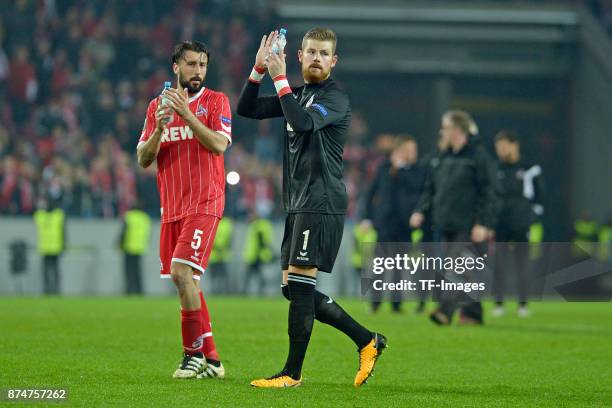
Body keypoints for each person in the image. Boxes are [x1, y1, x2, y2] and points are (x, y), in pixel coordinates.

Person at [237, 28, 386, 388]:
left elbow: (302, 123)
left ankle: (292, 373)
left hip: (322, 201)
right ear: (300, 56)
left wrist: (279, 78)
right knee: (294, 289)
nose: (317, 58)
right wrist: (259, 70)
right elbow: (248, 108)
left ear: (333, 62)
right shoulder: (300, 93)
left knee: (302, 286)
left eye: (324, 53)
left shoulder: (335, 98)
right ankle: (367, 339)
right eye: (311, 52)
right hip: (300, 201)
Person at [136, 41, 230, 379]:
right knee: (188, 280)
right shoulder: (156, 107)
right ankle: (214, 360)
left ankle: (192, 356)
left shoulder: (215, 101)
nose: (198, 71)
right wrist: (160, 127)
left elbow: (219, 144)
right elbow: (144, 159)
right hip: (172, 207)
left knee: (181, 273)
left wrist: (187, 115)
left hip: (205, 202)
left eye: (203, 64)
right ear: (176, 67)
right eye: (191, 64)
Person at [410, 110, 496, 325]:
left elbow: (489, 192)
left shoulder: (478, 156)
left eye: (446, 127)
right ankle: (473, 314)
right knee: (464, 271)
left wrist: (482, 223)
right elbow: (431, 189)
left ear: (457, 130)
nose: (442, 132)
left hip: (467, 224)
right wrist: (421, 210)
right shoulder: (442, 156)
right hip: (445, 222)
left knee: (454, 268)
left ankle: (444, 311)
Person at [362, 136, 426, 313]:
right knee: (380, 266)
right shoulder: (384, 169)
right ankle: (375, 303)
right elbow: (371, 194)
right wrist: (367, 217)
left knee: (399, 266)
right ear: (398, 151)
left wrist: (402, 170)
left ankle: (396, 305)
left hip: (404, 225)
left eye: (413, 150)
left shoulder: (417, 171)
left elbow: (417, 189)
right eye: (408, 150)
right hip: (385, 223)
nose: (411, 154)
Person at [492, 130, 545, 318]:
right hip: (500, 224)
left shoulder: (530, 168)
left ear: (515, 145)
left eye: (504, 147)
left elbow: (539, 199)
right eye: (498, 148)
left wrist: (531, 218)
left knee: (522, 265)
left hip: (522, 224)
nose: (501, 151)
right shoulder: (495, 168)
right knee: (499, 265)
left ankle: (523, 304)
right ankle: (498, 303)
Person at [118, 201, 152, 294]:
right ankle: (139, 290)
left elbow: (123, 232)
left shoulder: (129, 216)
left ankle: (129, 290)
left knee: (129, 271)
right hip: (140, 248)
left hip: (129, 247)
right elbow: (148, 234)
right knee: (138, 271)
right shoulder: (145, 218)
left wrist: (119, 243)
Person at [33, 198, 66, 295]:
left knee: (49, 270)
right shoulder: (58, 215)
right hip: (52, 247)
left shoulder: (41, 215)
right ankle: (53, 290)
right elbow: (64, 231)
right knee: (52, 270)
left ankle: (50, 290)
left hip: (51, 247)